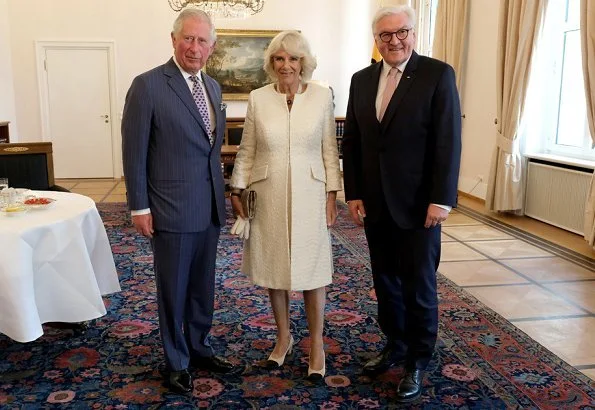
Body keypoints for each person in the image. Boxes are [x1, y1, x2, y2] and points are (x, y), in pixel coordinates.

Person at [342, 6, 462, 403]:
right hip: (375, 205)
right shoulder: (361, 80)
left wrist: (441, 199)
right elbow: (353, 142)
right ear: (375, 40)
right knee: (385, 283)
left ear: (414, 32)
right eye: (385, 35)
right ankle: (394, 344)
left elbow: (448, 141)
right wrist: (354, 192)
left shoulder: (436, 74)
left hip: (418, 206)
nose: (394, 41)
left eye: (401, 32)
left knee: (419, 286)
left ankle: (418, 357)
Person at [121, 8, 236, 394]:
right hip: (170, 208)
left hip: (209, 208)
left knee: (203, 286)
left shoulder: (214, 88)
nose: (194, 46)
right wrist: (139, 206)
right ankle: (176, 360)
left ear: (212, 48)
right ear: (173, 40)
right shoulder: (148, 85)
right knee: (173, 288)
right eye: (188, 38)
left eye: (202, 41)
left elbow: (211, 150)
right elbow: (134, 151)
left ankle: (200, 346)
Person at [229, 30, 342, 380]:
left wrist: (332, 194)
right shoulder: (258, 98)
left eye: (293, 58)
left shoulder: (322, 97)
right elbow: (247, 149)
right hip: (267, 194)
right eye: (279, 59)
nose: (286, 65)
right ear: (271, 63)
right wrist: (236, 189)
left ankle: (317, 343)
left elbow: (328, 150)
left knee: (312, 273)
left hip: (310, 194)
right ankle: (283, 338)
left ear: (303, 62)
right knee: (275, 270)